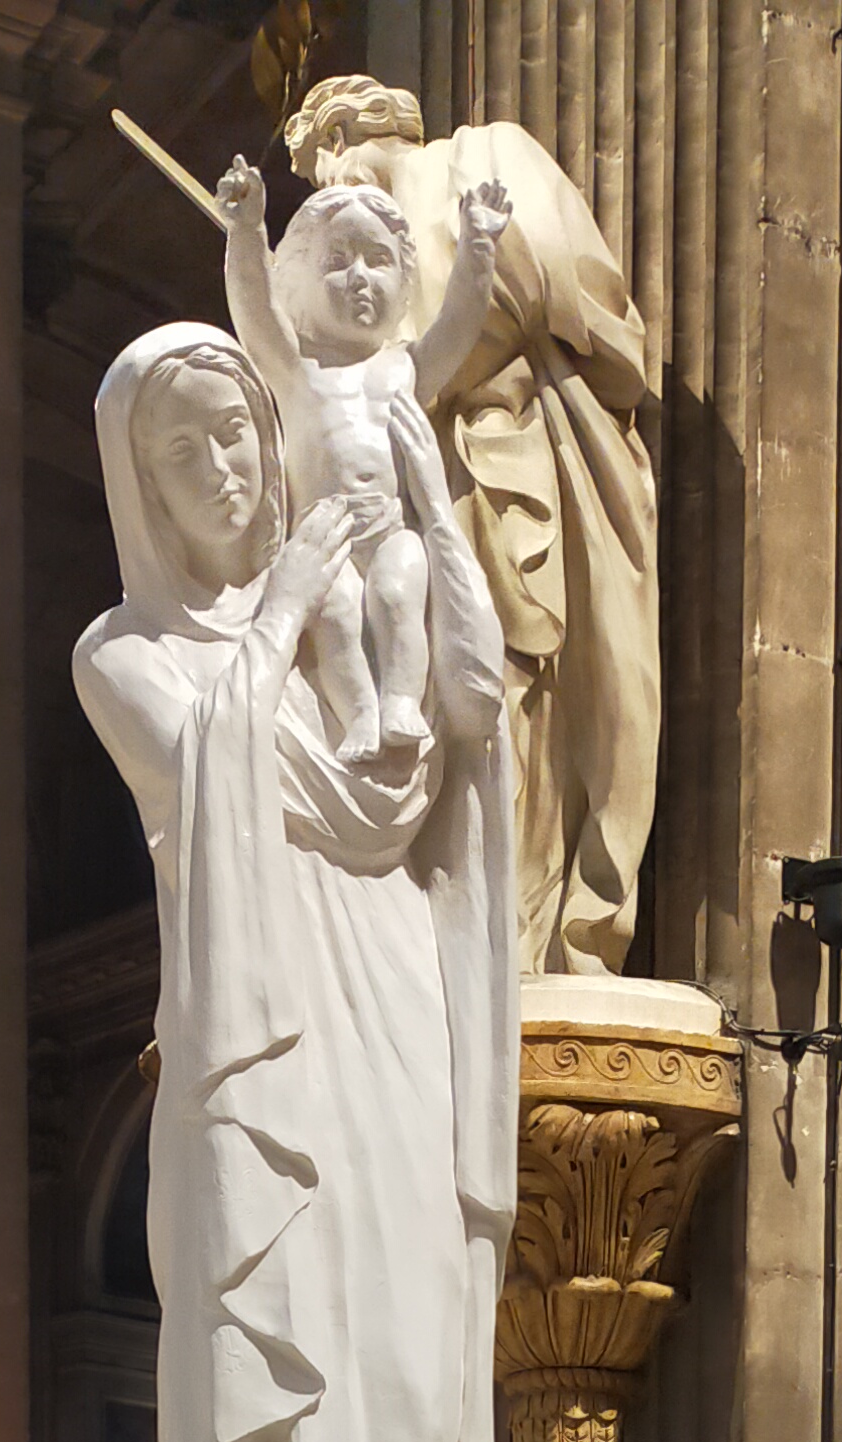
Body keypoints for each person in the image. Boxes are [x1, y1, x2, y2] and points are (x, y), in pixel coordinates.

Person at [72, 323, 516, 1442]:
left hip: (390, 1003)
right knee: (284, 1389)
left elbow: (458, 746)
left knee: (394, 1378)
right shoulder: (129, 651)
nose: (230, 470)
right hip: (256, 1065)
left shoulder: (349, 624)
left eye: (241, 432)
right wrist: (285, 608)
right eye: (186, 451)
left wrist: (422, 519)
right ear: (143, 486)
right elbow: (209, 766)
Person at [286, 71, 659, 975]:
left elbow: (568, 298)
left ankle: (535, 938)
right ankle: (475, 936)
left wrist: (426, 331)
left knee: (533, 694)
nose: (327, 194)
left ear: (340, 137)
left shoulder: (484, 157)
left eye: (320, 171)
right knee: (451, 703)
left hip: (518, 457)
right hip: (419, 496)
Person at [216, 151, 510, 765]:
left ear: (403, 279)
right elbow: (256, 315)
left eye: (378, 261)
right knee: (336, 612)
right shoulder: (298, 370)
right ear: (300, 279)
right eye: (337, 261)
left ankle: (401, 701)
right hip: (326, 541)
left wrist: (478, 246)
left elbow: (458, 325)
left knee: (402, 590)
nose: (360, 277)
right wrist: (247, 233)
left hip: (392, 529)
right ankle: (358, 715)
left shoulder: (404, 369)